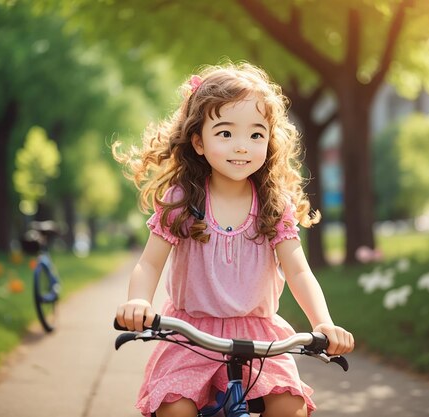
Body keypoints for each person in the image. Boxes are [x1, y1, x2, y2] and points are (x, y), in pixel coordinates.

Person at [113, 62, 354, 417]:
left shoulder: (273, 205)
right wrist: (139, 302)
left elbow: (299, 271)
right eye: (226, 134)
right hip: (191, 334)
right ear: (198, 141)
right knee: (174, 408)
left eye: (256, 135)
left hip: (260, 337)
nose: (242, 147)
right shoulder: (183, 200)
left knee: (290, 406)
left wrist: (323, 323)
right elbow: (149, 263)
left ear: (269, 141)